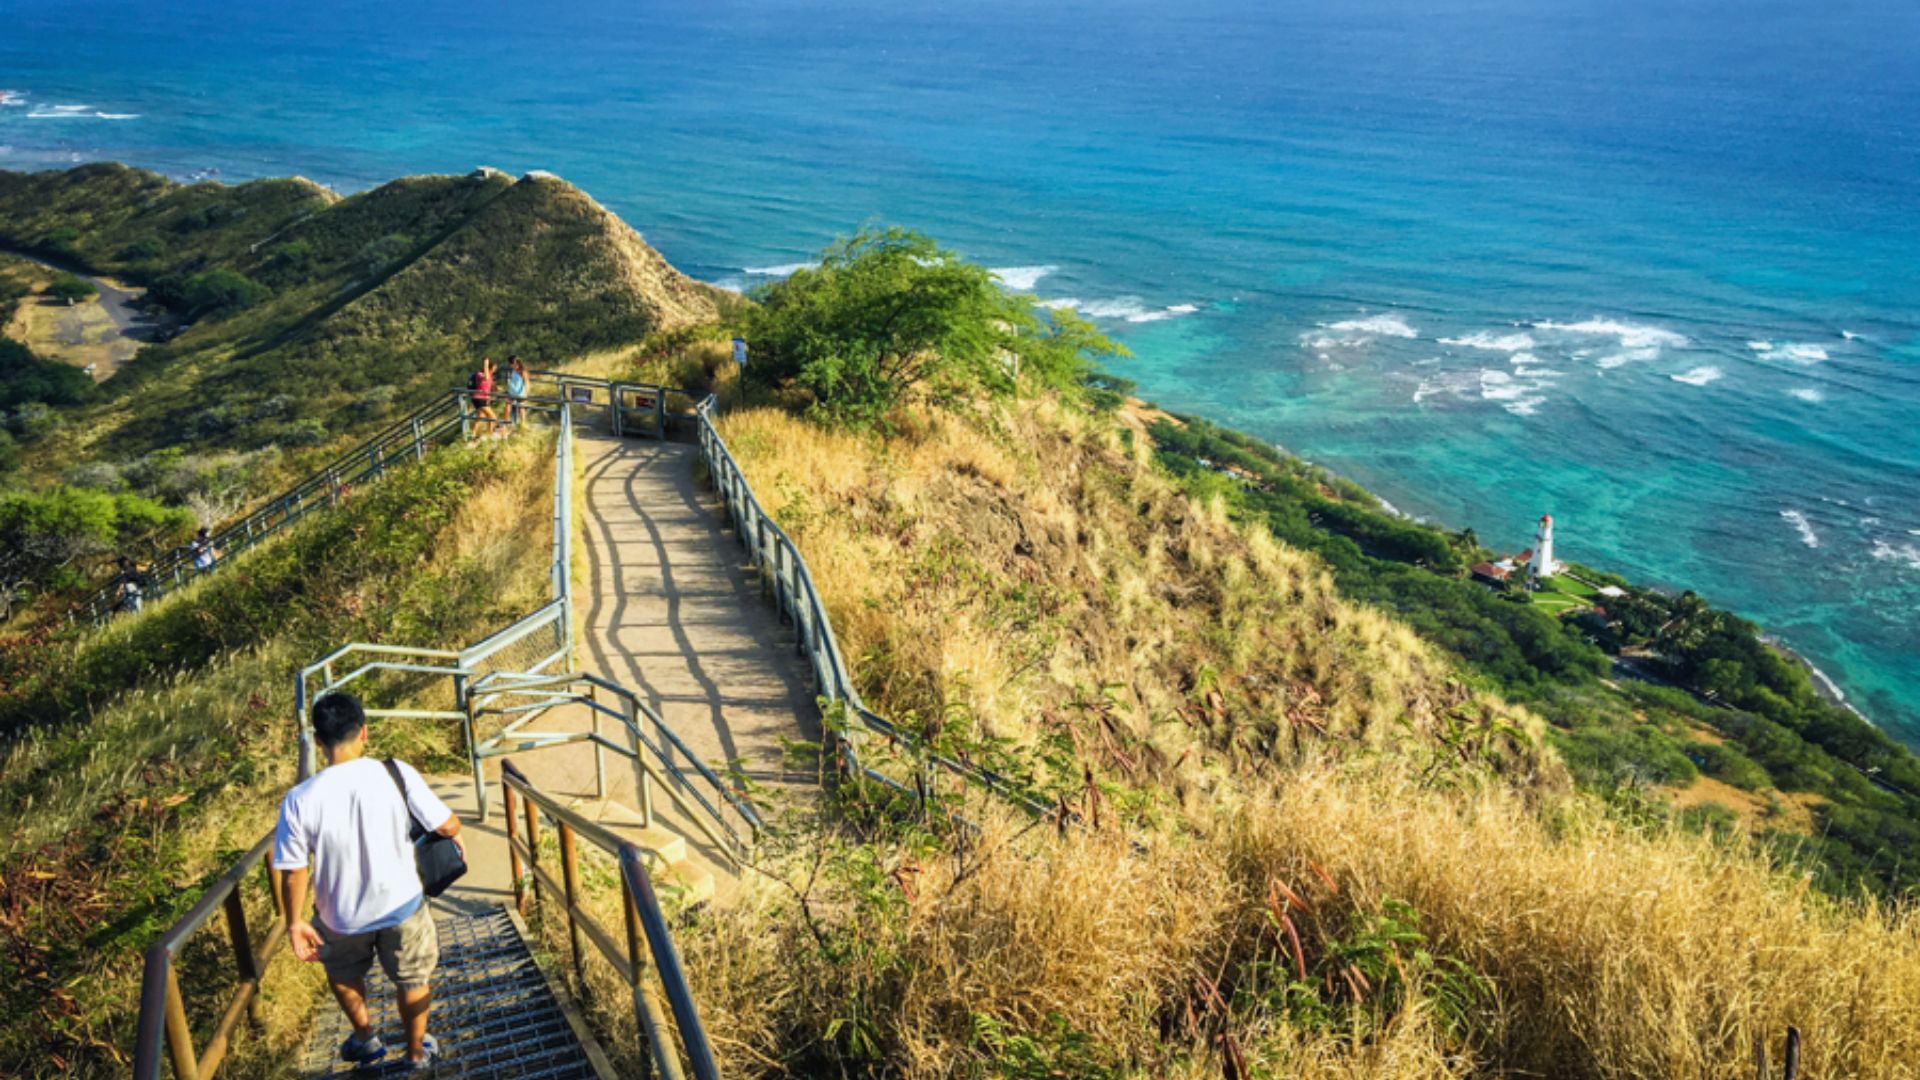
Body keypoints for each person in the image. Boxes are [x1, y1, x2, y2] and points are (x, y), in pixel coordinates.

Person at [274, 693, 464, 1070]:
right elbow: (447, 823)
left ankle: (366, 1038)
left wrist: (294, 923)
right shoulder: (394, 772)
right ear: (364, 732)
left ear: (318, 740)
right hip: (402, 904)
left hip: (339, 915)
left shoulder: (298, 799)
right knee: (412, 979)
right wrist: (454, 833)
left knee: (343, 974)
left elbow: (294, 870)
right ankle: (415, 1053)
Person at [468, 357, 500, 438]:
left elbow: (488, 388)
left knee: (480, 417)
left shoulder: (490, 375)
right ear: (489, 367)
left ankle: (472, 434)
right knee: (492, 417)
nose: (495, 369)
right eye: (494, 368)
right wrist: (485, 364)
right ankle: (490, 434)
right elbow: (486, 378)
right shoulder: (480, 374)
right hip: (479, 398)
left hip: (484, 398)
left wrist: (488, 398)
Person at [505, 356, 529, 428]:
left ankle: (523, 424)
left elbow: (527, 382)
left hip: (520, 393)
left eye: (512, 364)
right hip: (511, 392)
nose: (511, 366)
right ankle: (506, 423)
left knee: (521, 408)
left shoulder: (523, 371)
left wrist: (526, 394)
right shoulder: (512, 371)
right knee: (507, 406)